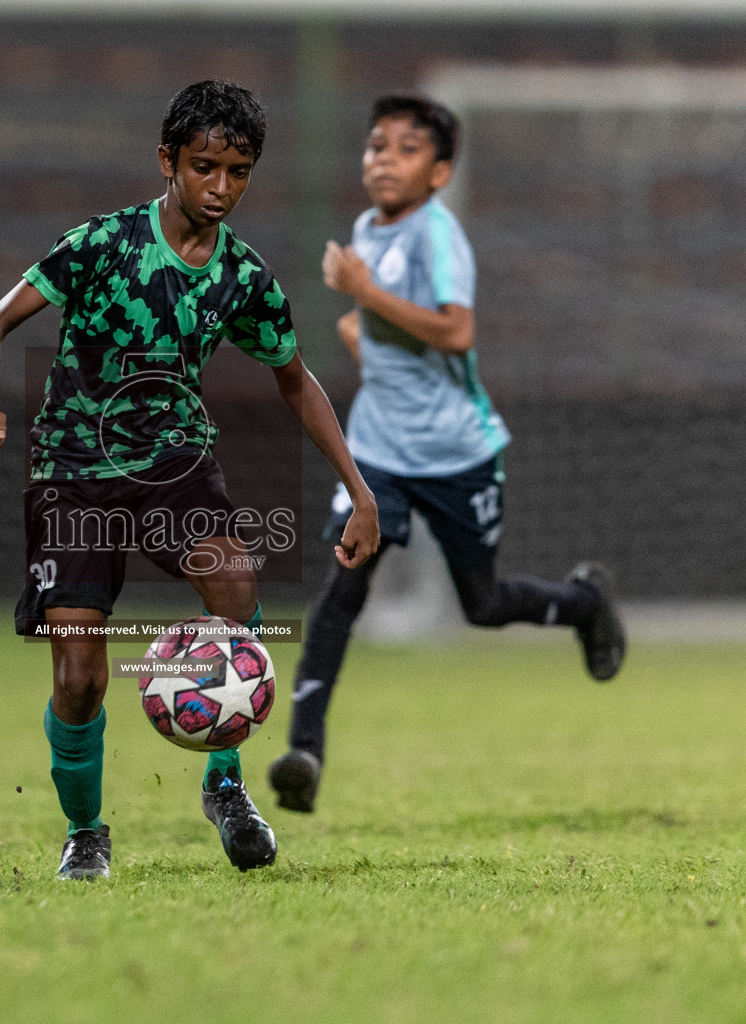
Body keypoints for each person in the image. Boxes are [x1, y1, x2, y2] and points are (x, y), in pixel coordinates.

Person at [0, 80, 380, 879]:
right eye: (204, 167)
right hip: (74, 471)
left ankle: (225, 787)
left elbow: (296, 378)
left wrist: (359, 489)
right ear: (168, 161)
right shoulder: (102, 244)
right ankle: (86, 832)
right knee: (80, 677)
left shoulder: (244, 278)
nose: (221, 188)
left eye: (239, 171)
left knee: (232, 578)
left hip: (173, 462)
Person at [266, 95, 626, 815]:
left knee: (482, 605)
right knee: (346, 578)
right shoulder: (368, 229)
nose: (384, 160)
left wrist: (366, 297)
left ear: (439, 172)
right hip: (377, 452)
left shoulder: (438, 235)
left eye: (405, 148)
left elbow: (456, 333)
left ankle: (585, 604)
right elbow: (398, 333)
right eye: (375, 146)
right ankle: (304, 750)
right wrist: (364, 335)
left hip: (456, 452)